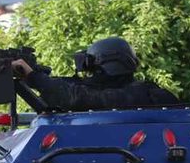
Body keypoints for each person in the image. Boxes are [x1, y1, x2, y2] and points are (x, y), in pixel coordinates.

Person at [11, 37, 178, 111]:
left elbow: (77, 97)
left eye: (93, 71)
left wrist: (35, 78)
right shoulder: (134, 91)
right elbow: (76, 88)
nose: (90, 76)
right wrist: (33, 77)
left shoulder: (146, 95)